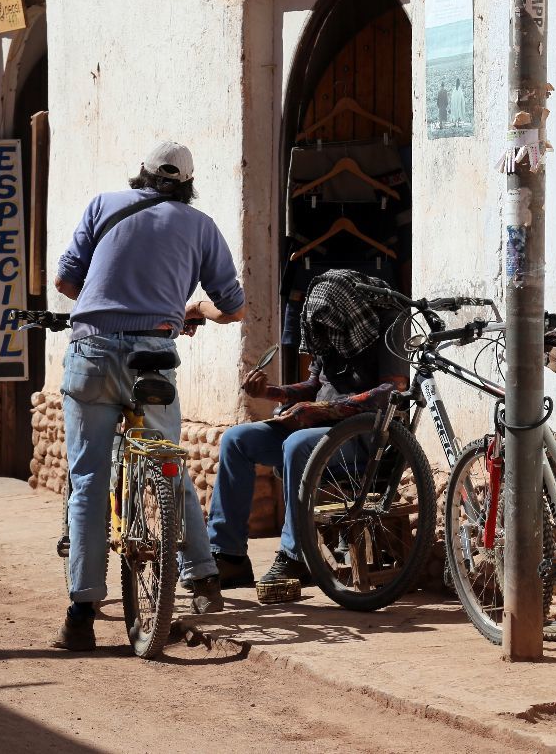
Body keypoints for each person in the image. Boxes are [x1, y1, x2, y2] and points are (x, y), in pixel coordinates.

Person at [52, 140, 246, 651]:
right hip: (154, 357)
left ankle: (80, 614)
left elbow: (66, 282)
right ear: (187, 184)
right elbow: (236, 308)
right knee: (169, 461)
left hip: (91, 354)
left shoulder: (103, 204)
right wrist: (194, 311)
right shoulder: (200, 225)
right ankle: (203, 578)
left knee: (89, 481)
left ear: (141, 175)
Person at [202, 270, 407, 588]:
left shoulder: (387, 322)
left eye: (330, 330)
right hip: (319, 429)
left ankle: (296, 557)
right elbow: (314, 385)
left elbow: (391, 391)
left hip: (364, 437)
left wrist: (321, 409)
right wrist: (271, 393)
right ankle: (228, 556)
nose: (325, 337)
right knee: (236, 439)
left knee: (297, 445)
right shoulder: (327, 324)